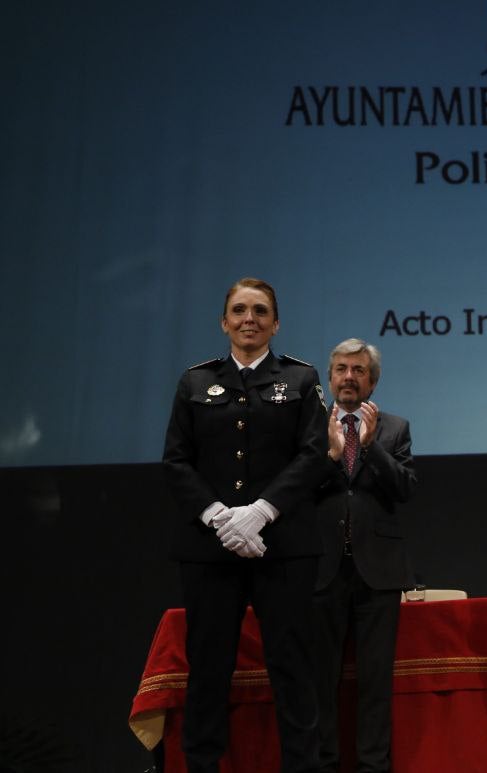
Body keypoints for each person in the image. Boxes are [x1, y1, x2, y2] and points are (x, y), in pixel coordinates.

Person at [162, 277, 329, 773]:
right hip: (209, 549)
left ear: (276, 323)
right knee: (208, 669)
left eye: (260, 311)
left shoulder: (300, 379)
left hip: (285, 545)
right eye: (239, 310)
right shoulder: (195, 382)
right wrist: (219, 517)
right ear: (224, 321)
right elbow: (176, 461)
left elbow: (314, 455)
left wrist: (261, 511)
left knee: (292, 667)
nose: (249, 319)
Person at [313, 339, 416, 773]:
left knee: (375, 684)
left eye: (358, 370)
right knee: (320, 681)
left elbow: (406, 489)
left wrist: (371, 447)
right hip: (321, 569)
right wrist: (332, 454)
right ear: (330, 376)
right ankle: (322, 764)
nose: (349, 377)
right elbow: (295, 492)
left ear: (372, 380)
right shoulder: (311, 428)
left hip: (379, 573)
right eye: (340, 369)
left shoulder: (394, 427)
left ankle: (374, 766)